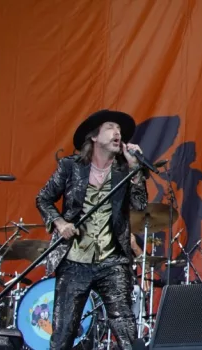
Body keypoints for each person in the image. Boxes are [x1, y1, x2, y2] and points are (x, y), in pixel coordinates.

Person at [36, 109, 149, 349]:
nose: (117, 132)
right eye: (110, 127)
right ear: (95, 137)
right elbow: (43, 198)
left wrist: (135, 168)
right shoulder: (71, 166)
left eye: (119, 129)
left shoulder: (124, 170)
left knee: (125, 327)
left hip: (112, 259)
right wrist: (60, 223)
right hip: (74, 260)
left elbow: (140, 204)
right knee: (64, 332)